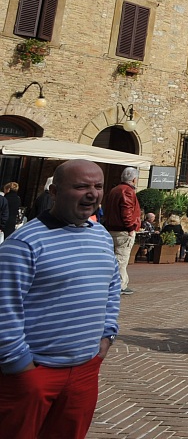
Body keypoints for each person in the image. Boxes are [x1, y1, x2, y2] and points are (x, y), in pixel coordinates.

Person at [0, 159, 120, 439]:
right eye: (81, 186)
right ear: (54, 192)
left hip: (85, 368)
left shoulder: (101, 236)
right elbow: (5, 308)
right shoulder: (24, 243)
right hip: (34, 372)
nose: (92, 193)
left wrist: (107, 336)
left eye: (98, 186)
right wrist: (21, 367)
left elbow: (112, 287)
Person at [101, 166, 141, 296]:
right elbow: (126, 212)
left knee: (114, 258)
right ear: (134, 179)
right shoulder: (128, 191)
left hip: (111, 228)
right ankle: (119, 285)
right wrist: (130, 228)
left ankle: (119, 283)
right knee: (121, 258)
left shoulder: (114, 190)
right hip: (123, 231)